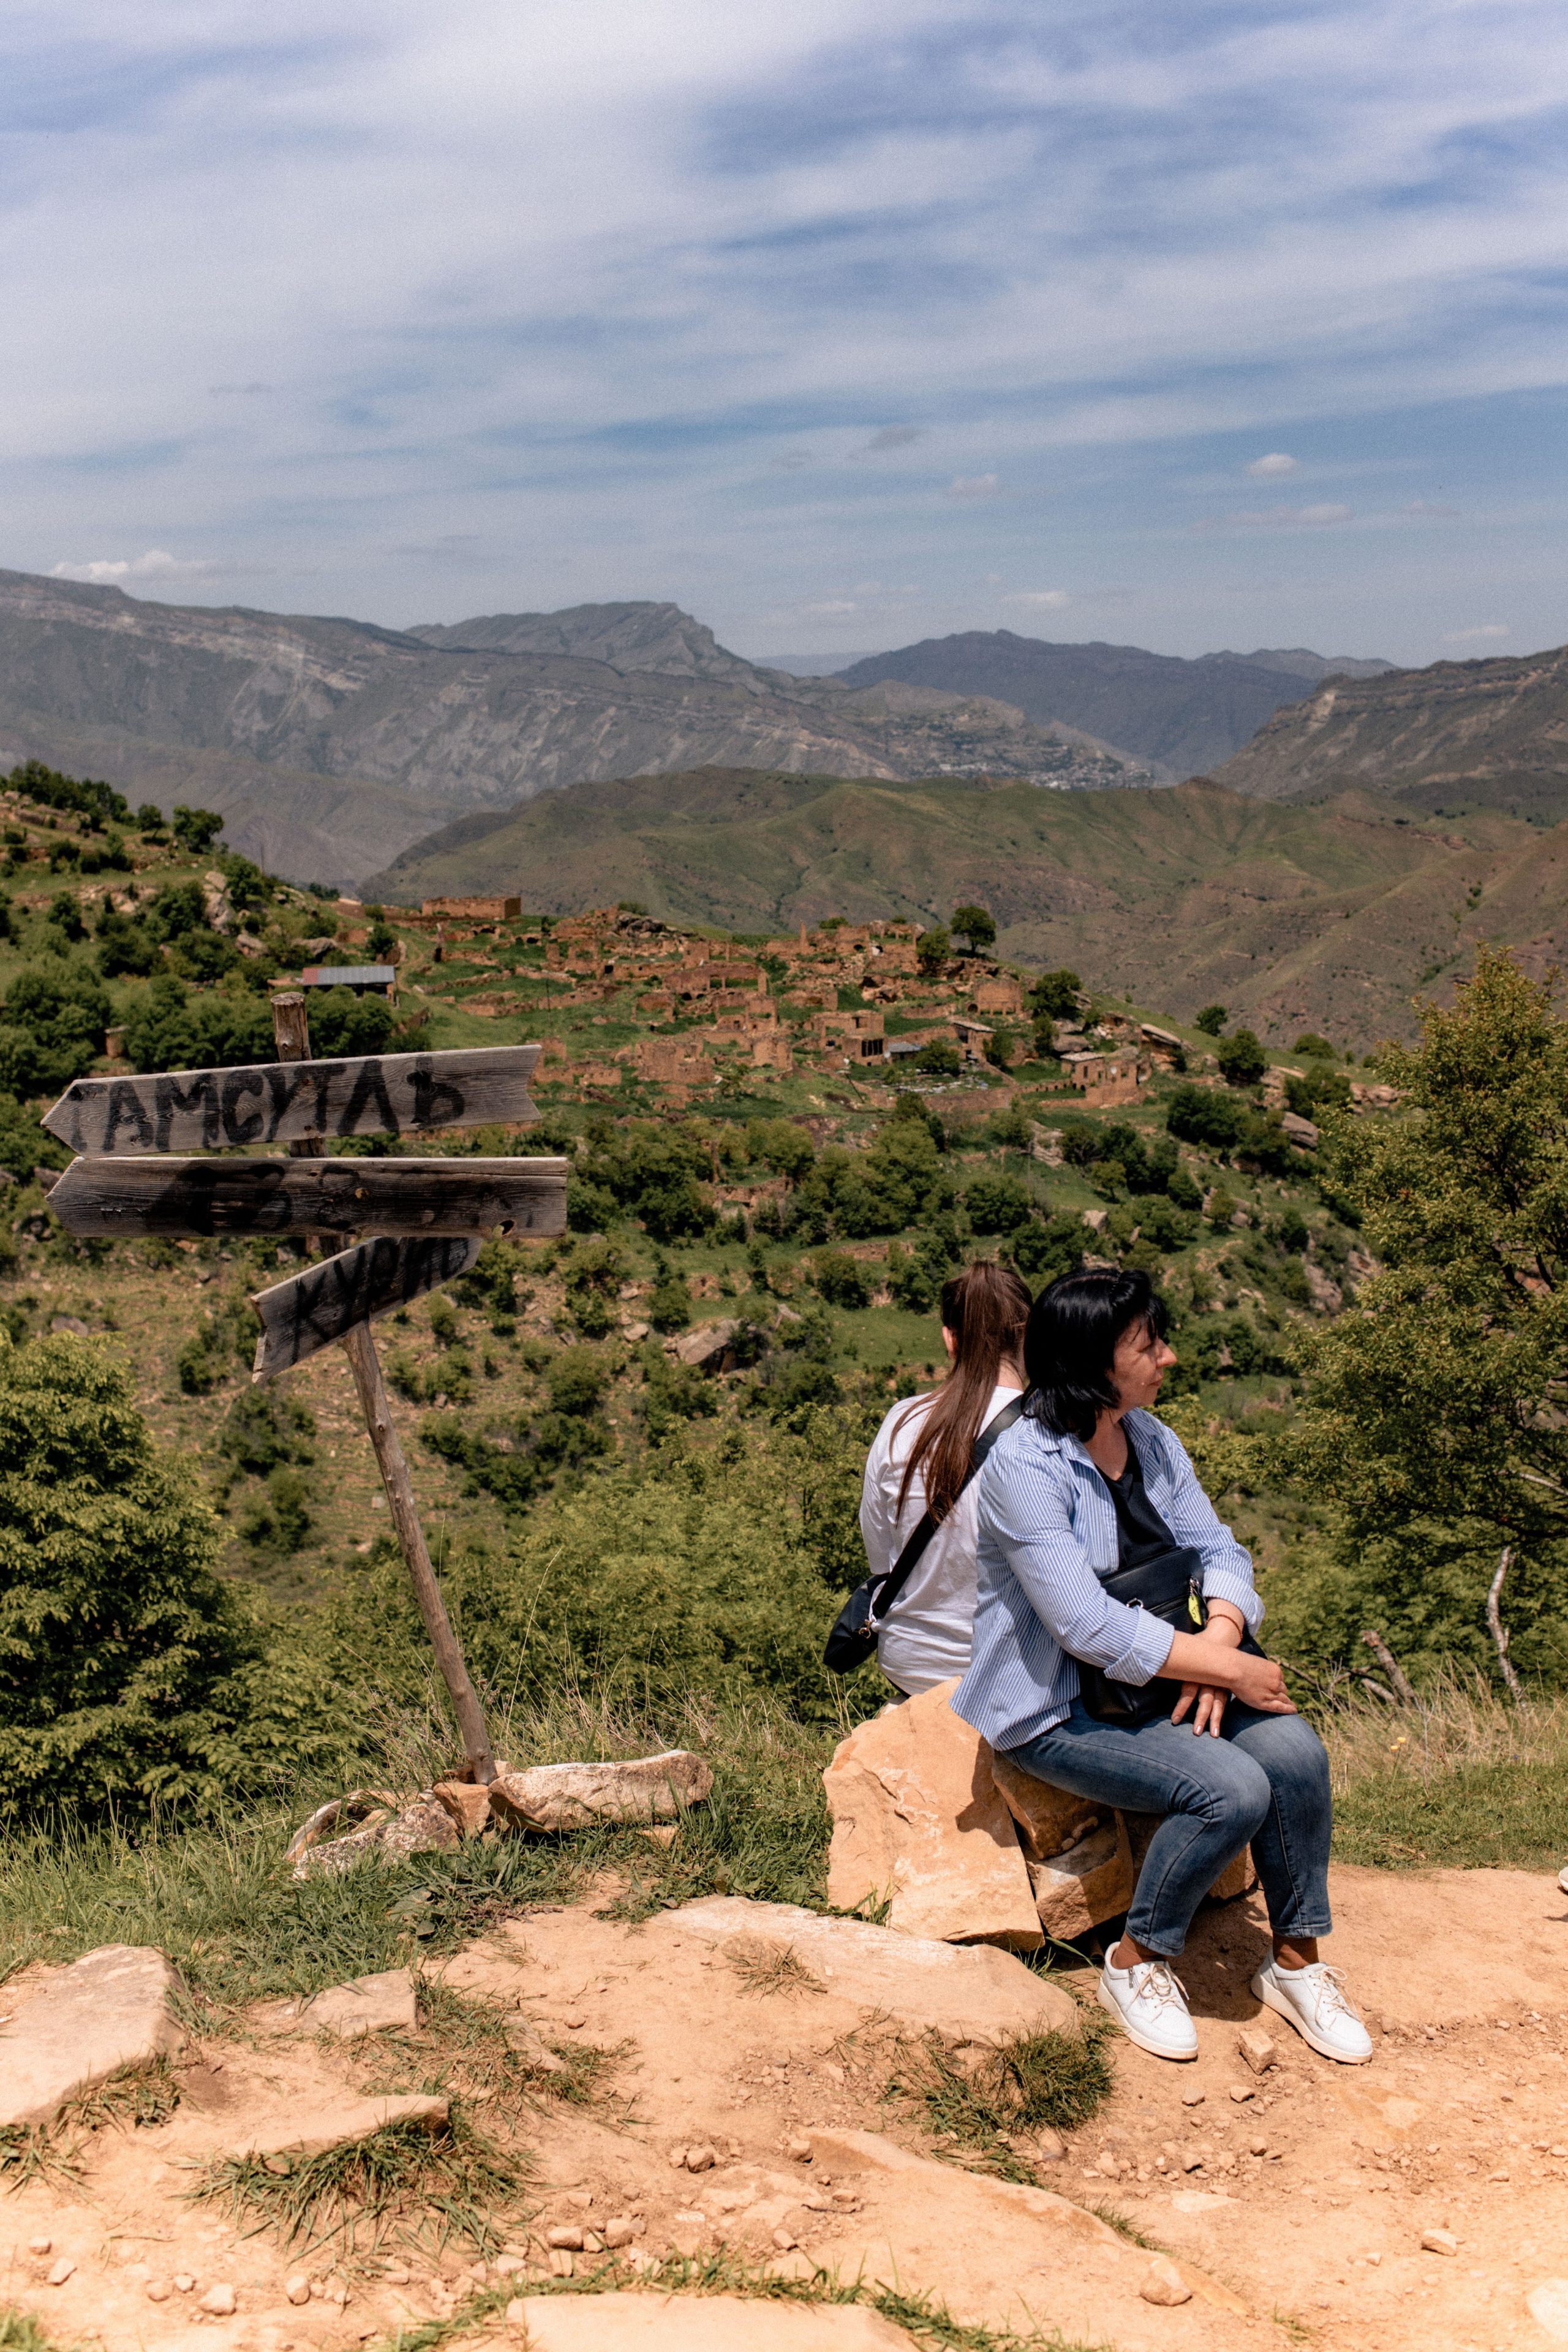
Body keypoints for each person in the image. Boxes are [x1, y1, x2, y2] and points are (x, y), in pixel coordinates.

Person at [952, 1265, 1372, 2067]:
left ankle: (1294, 1965)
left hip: (1166, 1672)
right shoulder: (1025, 1466)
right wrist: (1226, 1670)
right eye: (1150, 1343)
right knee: (1231, 1790)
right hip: (1064, 1705)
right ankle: (1135, 1962)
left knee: (1296, 1756)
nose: (1168, 1358)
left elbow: (1219, 1548)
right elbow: (1081, 1625)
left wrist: (1218, 1639)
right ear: (1094, 1358)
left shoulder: (1148, 1437)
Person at [859, 1262, 1033, 1697]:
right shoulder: (1047, 1430)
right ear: (1029, 1336)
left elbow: (882, 1560)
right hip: (1005, 1672)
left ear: (949, 1339)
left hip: (910, 1664)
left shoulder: (901, 1421)